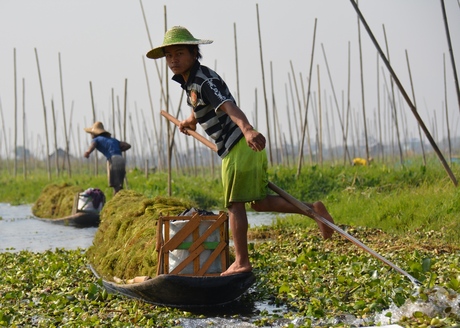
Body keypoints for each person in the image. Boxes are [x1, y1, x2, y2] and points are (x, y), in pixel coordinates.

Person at [146, 26, 335, 276]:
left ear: (193, 53)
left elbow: (227, 105)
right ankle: (314, 210)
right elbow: (202, 105)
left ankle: (242, 262)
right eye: (169, 56)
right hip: (241, 147)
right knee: (261, 202)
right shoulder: (192, 82)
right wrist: (191, 121)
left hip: (238, 145)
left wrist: (247, 130)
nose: (173, 60)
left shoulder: (203, 81)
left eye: (179, 53)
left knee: (235, 205)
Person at [84, 121, 131, 195]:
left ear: (95, 133)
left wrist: (88, 152)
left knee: (116, 185)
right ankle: (118, 199)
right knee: (119, 184)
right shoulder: (113, 140)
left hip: (113, 159)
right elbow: (127, 145)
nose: (91, 135)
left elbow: (93, 145)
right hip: (121, 159)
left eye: (91, 133)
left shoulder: (96, 139)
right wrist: (117, 149)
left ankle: (116, 201)